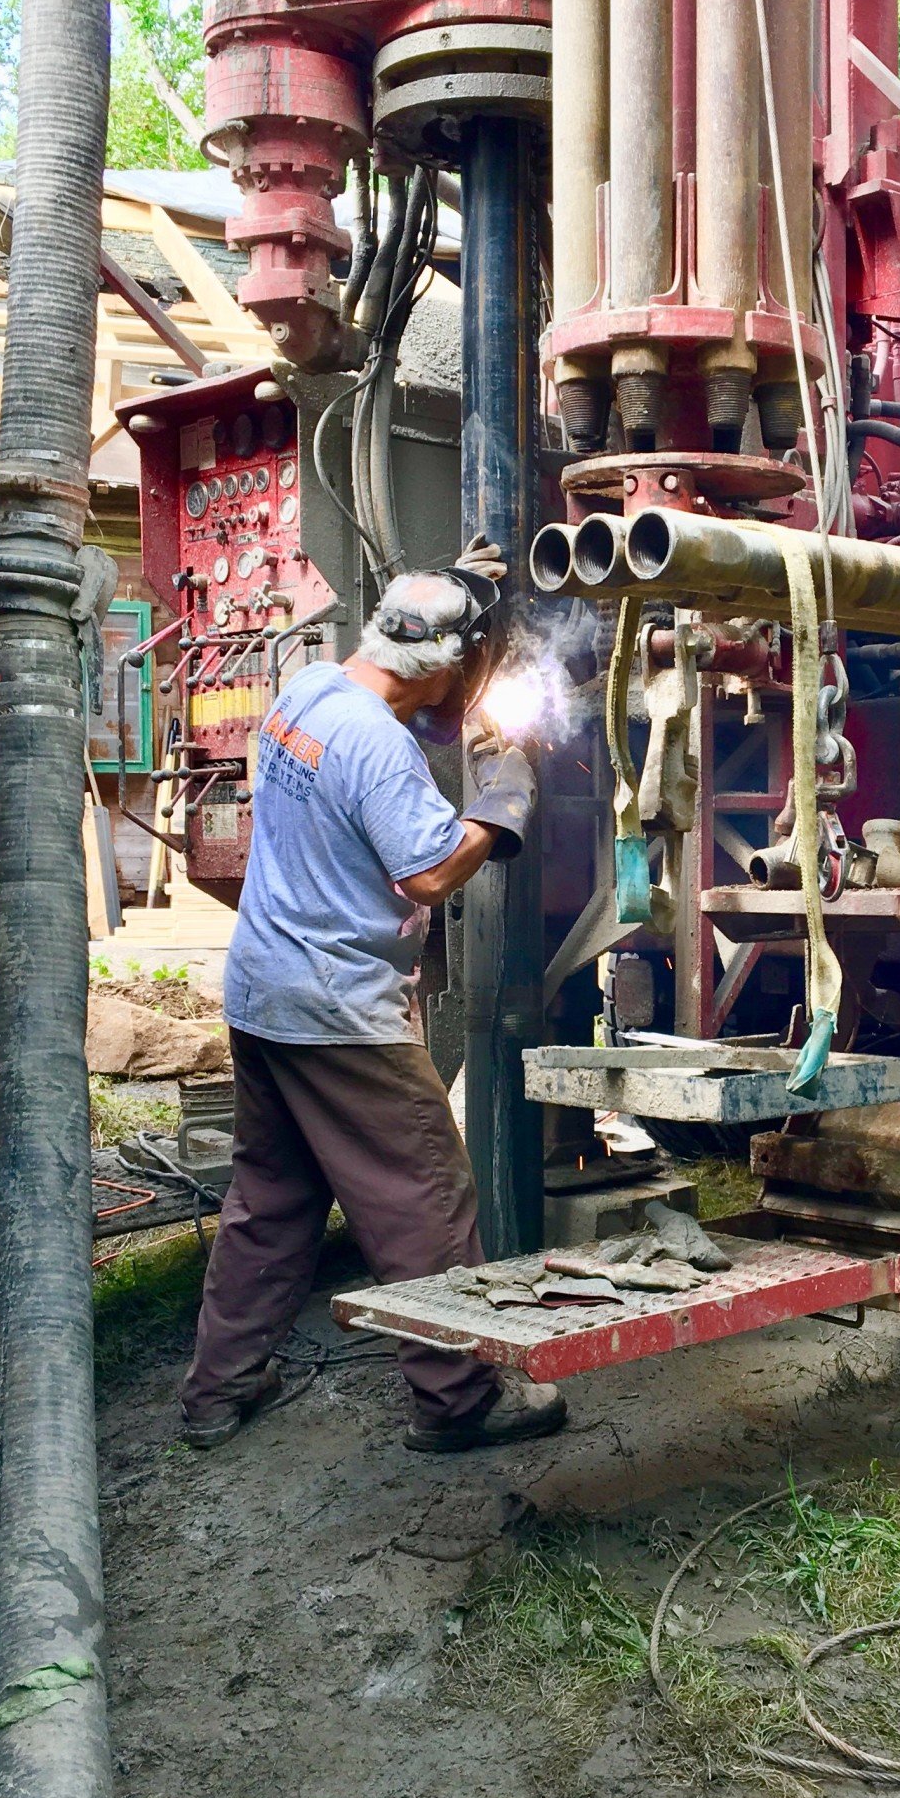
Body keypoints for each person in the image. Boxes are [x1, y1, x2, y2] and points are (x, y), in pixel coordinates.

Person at [178, 543, 561, 1455]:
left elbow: (416, 638)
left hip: (264, 994)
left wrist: (455, 582)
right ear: (446, 668)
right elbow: (430, 873)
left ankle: (217, 1392)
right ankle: (460, 1400)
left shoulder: (308, 691)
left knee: (271, 1200)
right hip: (338, 1014)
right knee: (424, 1195)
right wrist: (504, 793)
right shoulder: (380, 749)